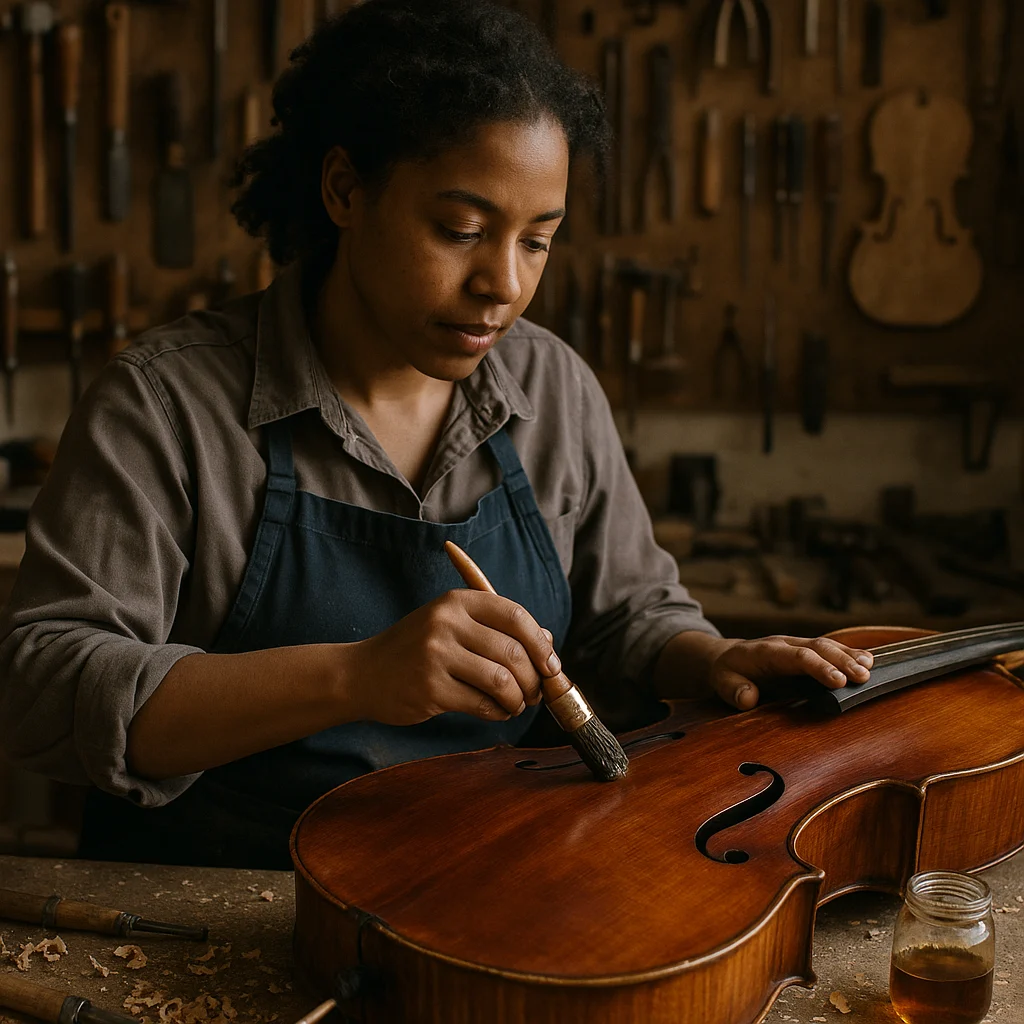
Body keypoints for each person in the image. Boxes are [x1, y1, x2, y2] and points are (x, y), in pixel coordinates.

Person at [0, 0, 872, 869]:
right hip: (227, 896)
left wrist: (714, 659)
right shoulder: (166, 403)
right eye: (461, 231)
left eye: (538, 242)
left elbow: (628, 620)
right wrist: (357, 677)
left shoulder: (551, 385)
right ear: (345, 190)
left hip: (486, 884)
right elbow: (43, 688)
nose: (502, 284)